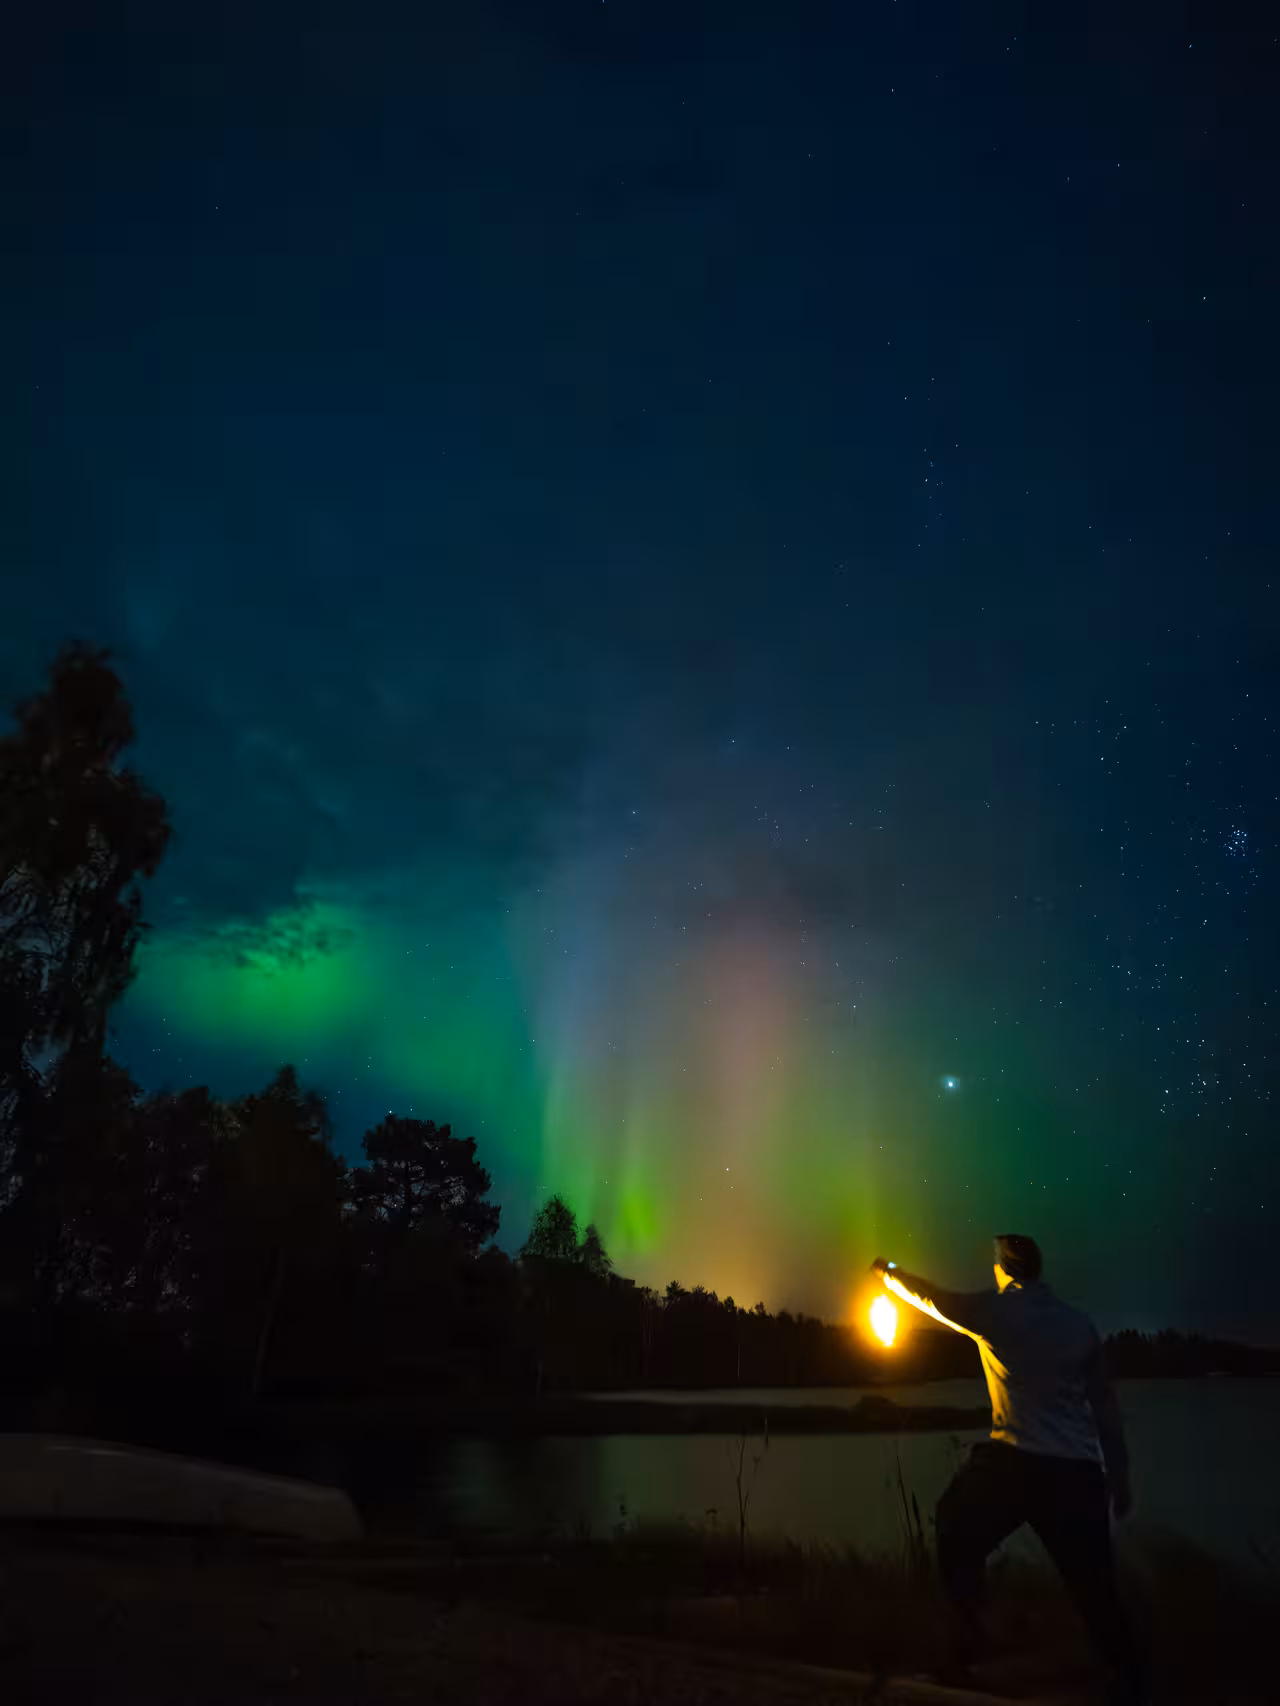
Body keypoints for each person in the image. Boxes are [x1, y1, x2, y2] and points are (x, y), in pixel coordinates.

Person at [871, 1235, 1143, 1702]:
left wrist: (888, 1274)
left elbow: (933, 1299)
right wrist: (1117, 1471)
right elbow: (1103, 1404)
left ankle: (970, 1639)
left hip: (1014, 1464)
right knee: (1095, 1584)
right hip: (1078, 1473)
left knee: (955, 1527)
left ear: (1004, 1271)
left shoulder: (994, 1311)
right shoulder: (1079, 1325)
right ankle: (1132, 1680)